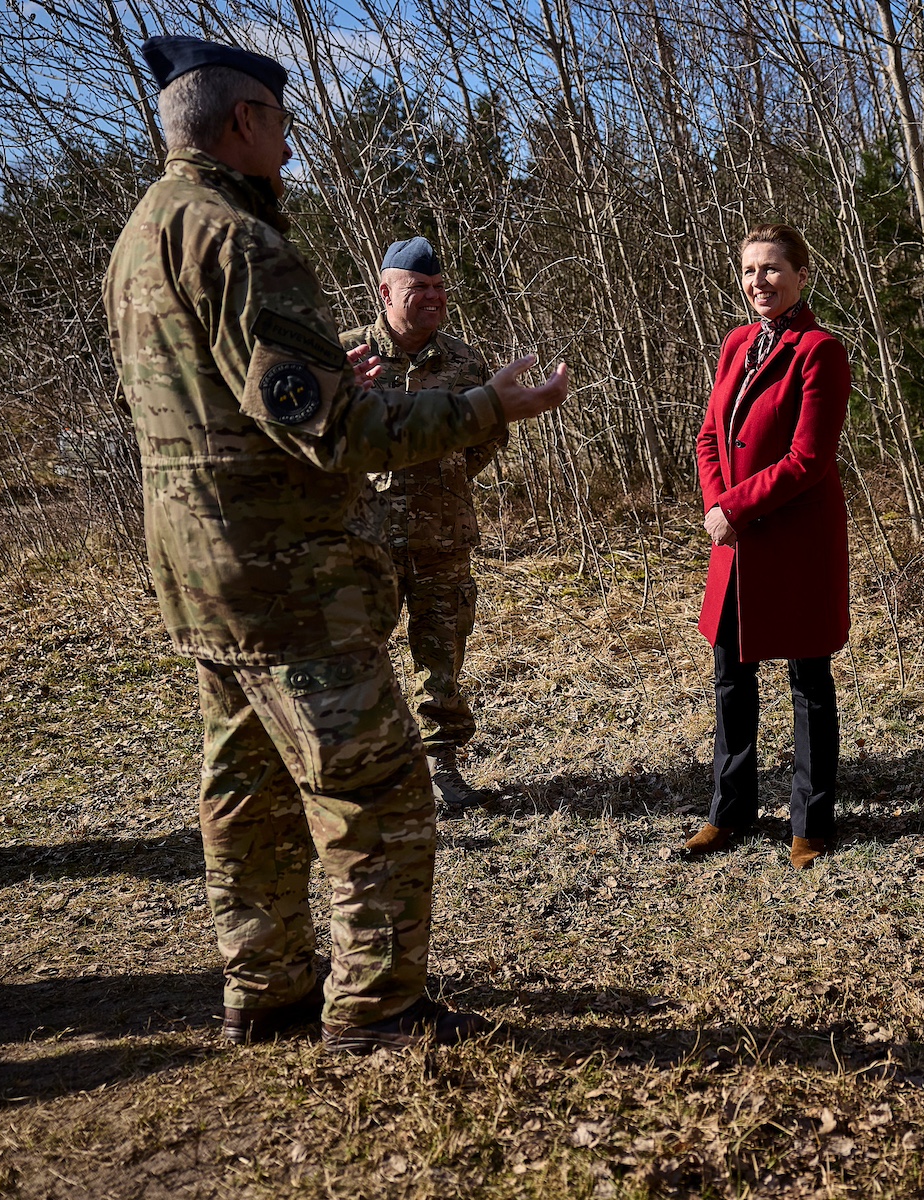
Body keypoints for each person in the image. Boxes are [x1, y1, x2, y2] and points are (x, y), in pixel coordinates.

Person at [104, 36, 567, 1054]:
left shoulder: (143, 235)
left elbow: (233, 403)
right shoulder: (239, 239)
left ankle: (266, 987)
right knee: (377, 786)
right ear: (241, 125)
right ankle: (379, 1005)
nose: (290, 135)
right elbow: (339, 436)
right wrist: (489, 407)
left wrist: (329, 383)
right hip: (287, 577)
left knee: (247, 789)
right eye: (279, 118)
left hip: (199, 575)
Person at [683, 224, 851, 871]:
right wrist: (715, 505)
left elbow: (809, 458)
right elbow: (707, 435)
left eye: (773, 269)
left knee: (809, 683)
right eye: (750, 269)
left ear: (802, 275)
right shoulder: (734, 345)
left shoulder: (821, 351)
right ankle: (729, 812)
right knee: (731, 678)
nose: (760, 281)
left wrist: (735, 507)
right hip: (736, 547)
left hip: (795, 543)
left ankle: (811, 823)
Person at [341, 237, 505, 817]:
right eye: (420, 289)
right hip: (363, 540)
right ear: (385, 292)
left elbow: (489, 434)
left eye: (439, 289)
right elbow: (312, 440)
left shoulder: (464, 363)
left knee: (441, 655)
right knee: (359, 657)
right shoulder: (345, 360)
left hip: (443, 536)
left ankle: (441, 766)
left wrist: (446, 475)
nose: (433, 298)